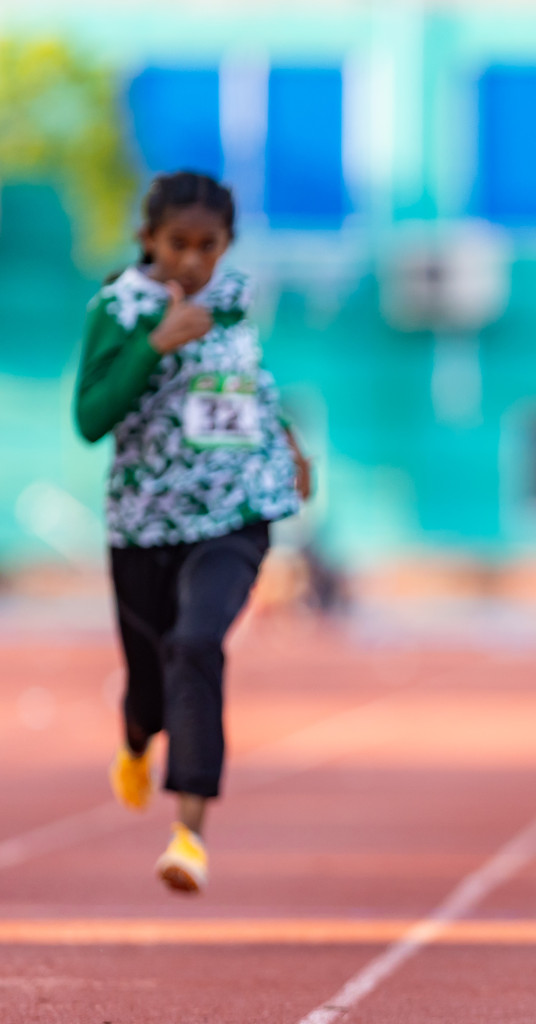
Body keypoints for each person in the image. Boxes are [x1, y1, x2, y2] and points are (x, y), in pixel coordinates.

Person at [75, 171, 312, 895]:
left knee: (197, 644)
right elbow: (90, 419)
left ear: (227, 246)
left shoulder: (237, 301)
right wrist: (154, 344)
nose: (192, 261)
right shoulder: (117, 310)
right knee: (150, 688)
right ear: (148, 239)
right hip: (145, 525)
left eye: (208, 246)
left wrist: (290, 444)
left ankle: (190, 833)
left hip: (236, 513)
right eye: (178, 244)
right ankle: (136, 737)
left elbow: (248, 385)